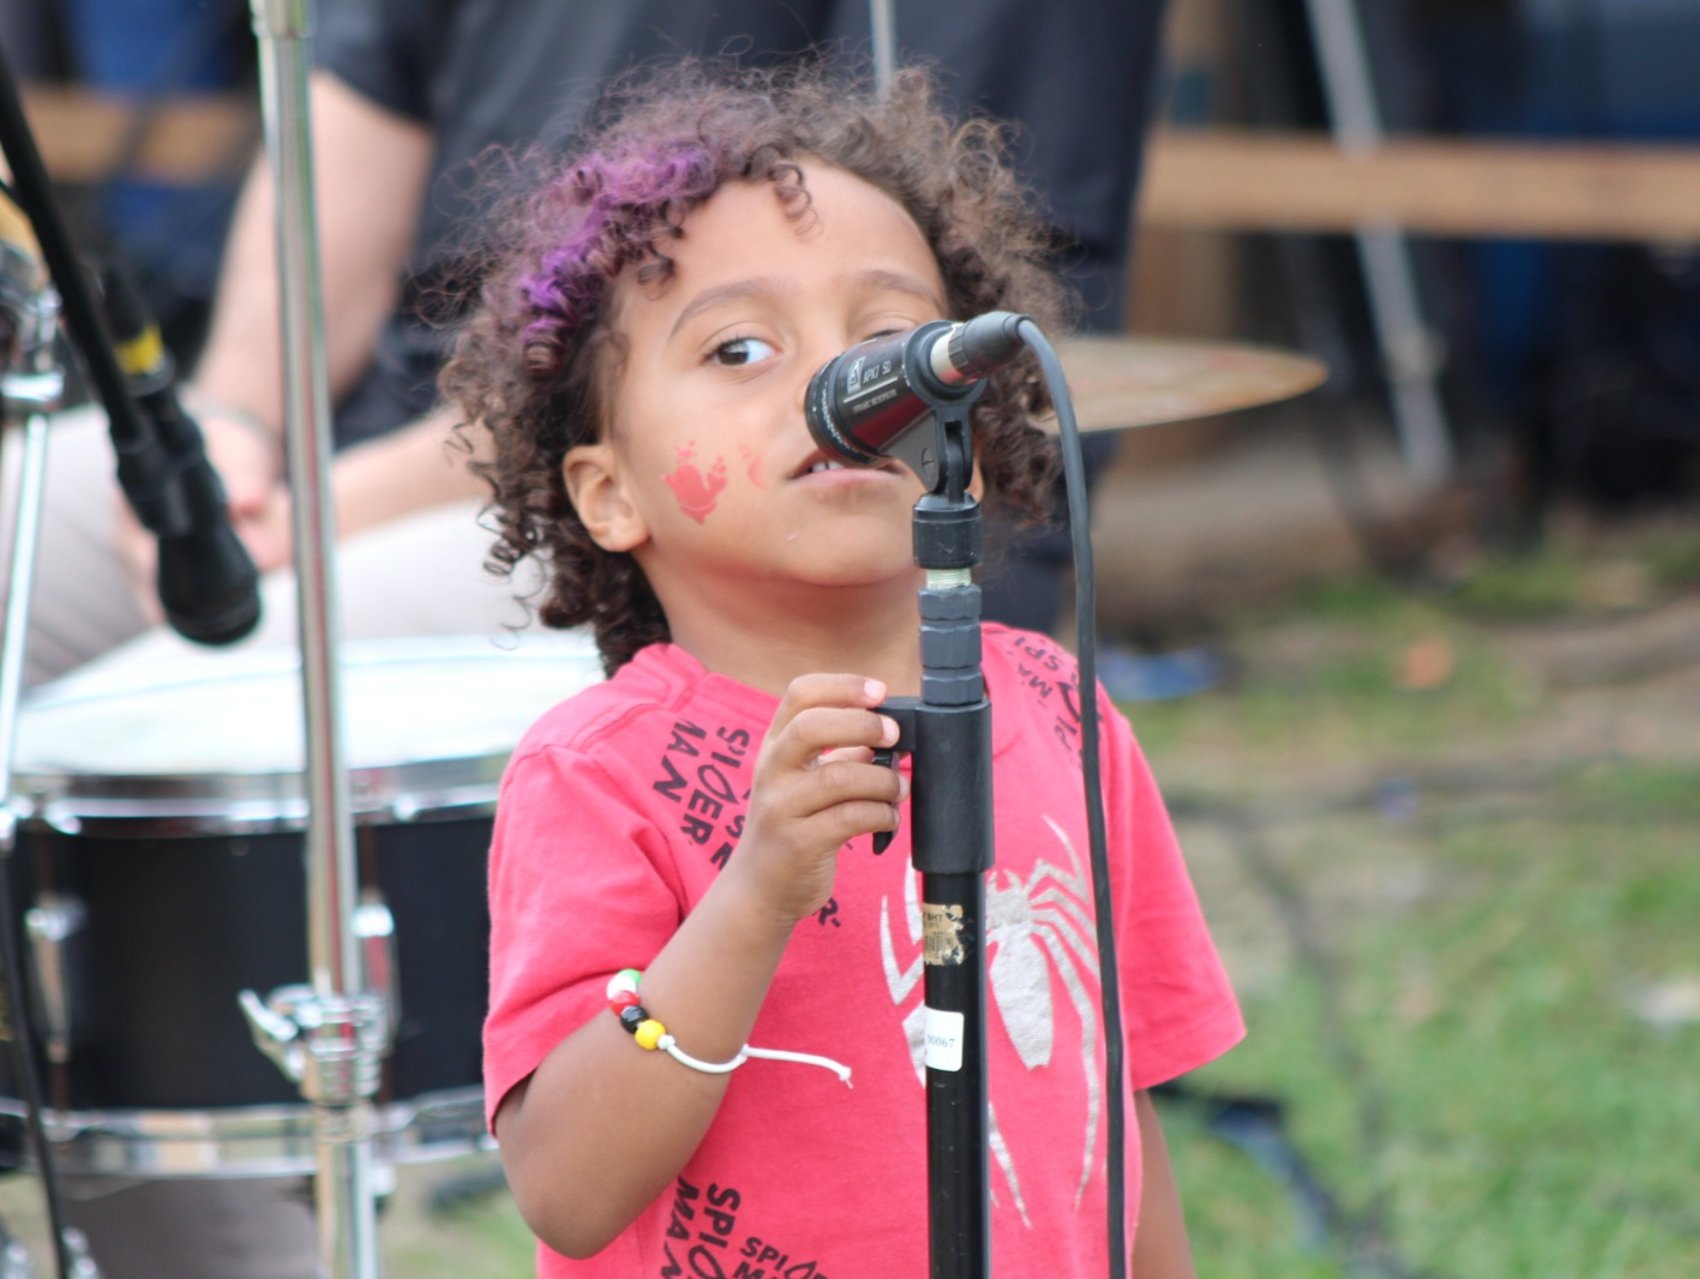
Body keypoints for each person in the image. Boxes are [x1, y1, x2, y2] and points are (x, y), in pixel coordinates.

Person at [454, 61, 1243, 1276]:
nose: (845, 392)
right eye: (741, 348)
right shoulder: (592, 776)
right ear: (611, 493)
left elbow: (1117, 1095)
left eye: (890, 340)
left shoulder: (1055, 709)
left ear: (967, 439)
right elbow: (565, 1186)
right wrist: (758, 887)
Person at [8, 0, 1164, 688]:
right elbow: (352, 105)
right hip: (351, 464)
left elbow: (863, 302)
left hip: (650, 491)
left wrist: (302, 515)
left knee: (174, 703)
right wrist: (230, 426)